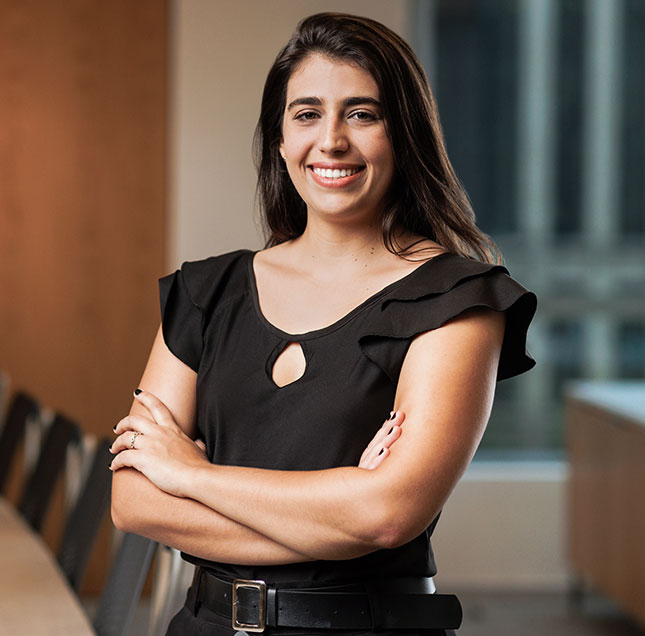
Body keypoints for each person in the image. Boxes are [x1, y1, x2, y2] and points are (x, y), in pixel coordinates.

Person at [109, 12, 536, 636]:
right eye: (307, 114)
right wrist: (338, 516)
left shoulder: (458, 299)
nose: (331, 140)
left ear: (405, 134)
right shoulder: (209, 292)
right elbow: (133, 500)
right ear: (280, 139)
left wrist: (193, 477)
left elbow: (389, 515)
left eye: (362, 114)